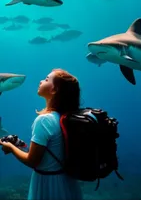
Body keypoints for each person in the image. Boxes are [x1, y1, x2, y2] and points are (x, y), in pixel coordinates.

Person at [0, 68, 83, 200]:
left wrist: (11, 147)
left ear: (54, 90)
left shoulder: (44, 120)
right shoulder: (64, 116)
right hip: (67, 182)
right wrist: (20, 145)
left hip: (48, 184)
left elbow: (32, 161)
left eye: (46, 79)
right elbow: (53, 151)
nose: (40, 81)